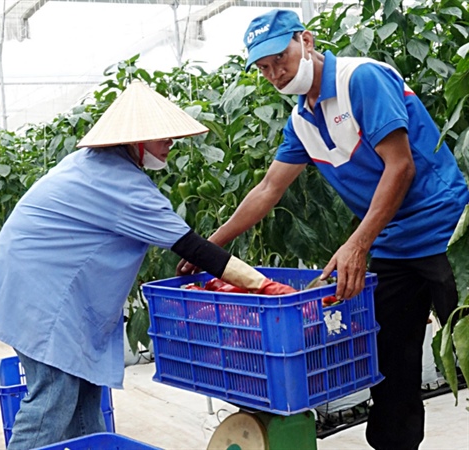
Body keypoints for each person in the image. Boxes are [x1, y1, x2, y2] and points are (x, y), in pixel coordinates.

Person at [178, 9, 469, 450]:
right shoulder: (302, 121)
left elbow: (401, 167)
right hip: (392, 244)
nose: (275, 73)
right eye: (263, 67)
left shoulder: (360, 79)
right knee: (390, 358)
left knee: (465, 338)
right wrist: (208, 247)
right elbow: (268, 189)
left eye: (281, 58)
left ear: (306, 41)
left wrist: (356, 244)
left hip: (443, 232)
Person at [0, 80, 295, 449]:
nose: (170, 146)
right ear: (135, 140)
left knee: (86, 394)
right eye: (162, 138)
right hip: (42, 300)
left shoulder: (94, 164)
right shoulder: (121, 185)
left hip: (32, 286)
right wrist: (265, 286)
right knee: (53, 398)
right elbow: (195, 248)